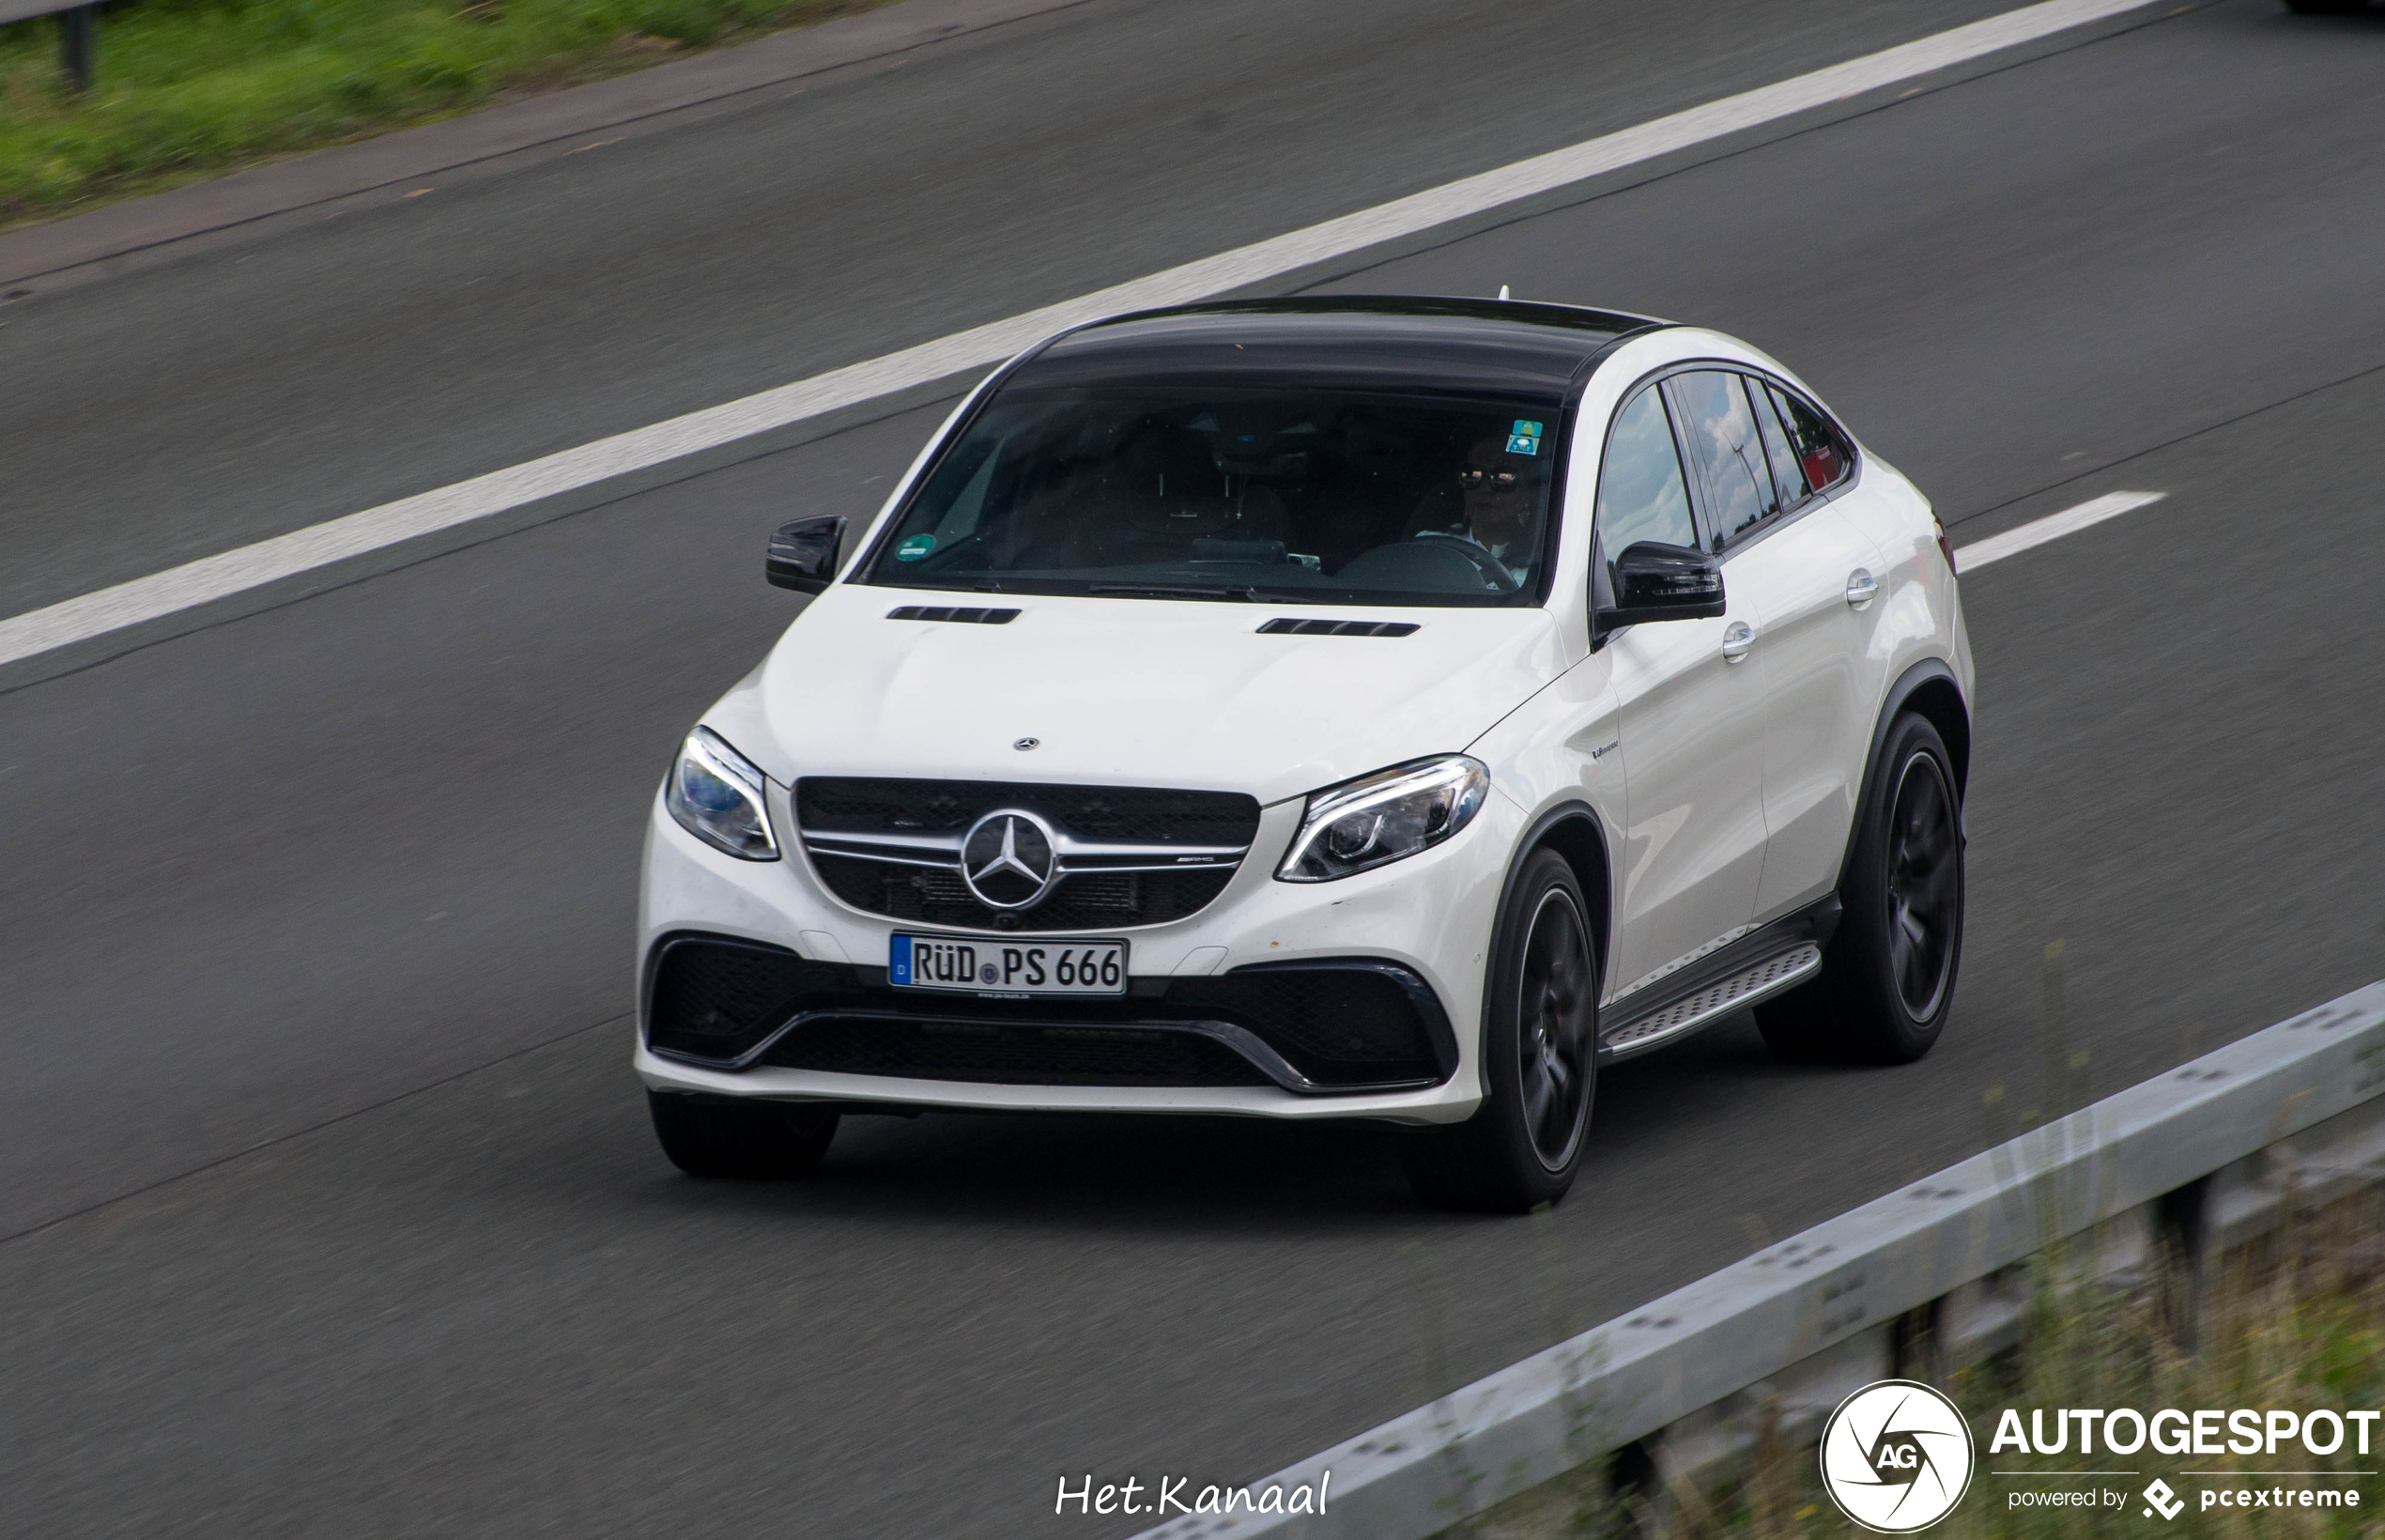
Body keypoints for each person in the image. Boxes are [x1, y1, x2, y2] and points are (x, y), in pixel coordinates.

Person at [1413, 431, 1544, 581]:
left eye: (1503, 478)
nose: (1485, 488)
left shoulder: (1546, 565)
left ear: (1526, 495)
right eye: (1472, 476)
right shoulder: (1429, 546)